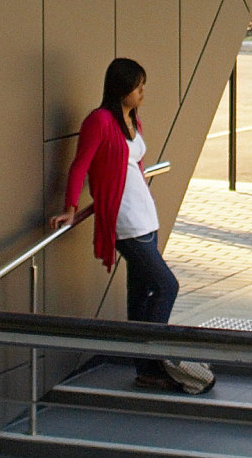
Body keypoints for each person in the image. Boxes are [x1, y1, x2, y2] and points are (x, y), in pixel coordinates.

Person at [56, 58, 214, 395]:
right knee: (167, 286)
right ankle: (158, 354)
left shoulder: (132, 119)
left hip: (146, 216)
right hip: (125, 221)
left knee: (141, 296)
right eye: (137, 86)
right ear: (120, 88)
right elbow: (79, 165)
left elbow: (135, 166)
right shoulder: (98, 121)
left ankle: (145, 371)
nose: (143, 92)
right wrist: (71, 210)